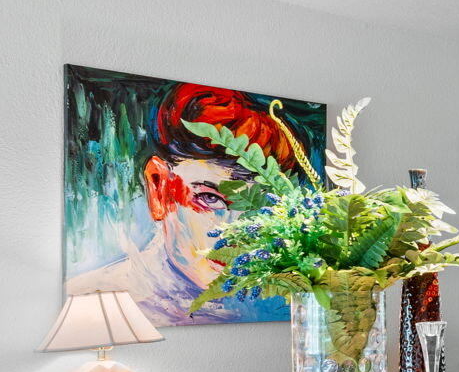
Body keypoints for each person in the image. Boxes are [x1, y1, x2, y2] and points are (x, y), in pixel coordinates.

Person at [67, 83, 313, 325]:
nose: (237, 235)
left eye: (262, 209)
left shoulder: (289, 305)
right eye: (209, 198)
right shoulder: (94, 302)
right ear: (158, 188)